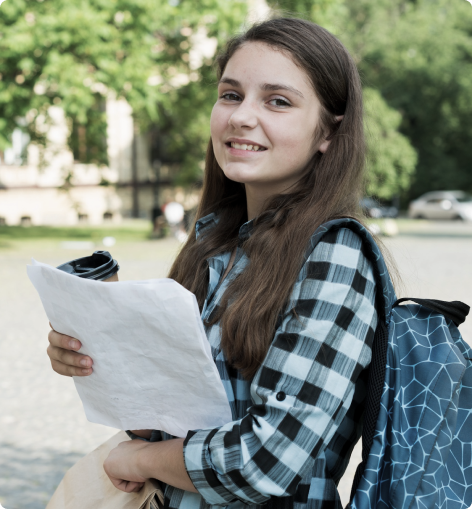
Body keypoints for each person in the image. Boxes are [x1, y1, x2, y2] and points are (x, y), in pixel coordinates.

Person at [46, 18, 383, 508]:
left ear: (328, 132)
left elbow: (265, 461)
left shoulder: (335, 253)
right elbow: (171, 423)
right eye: (230, 95)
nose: (242, 117)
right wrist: (97, 358)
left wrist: (139, 460)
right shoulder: (214, 242)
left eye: (278, 101)